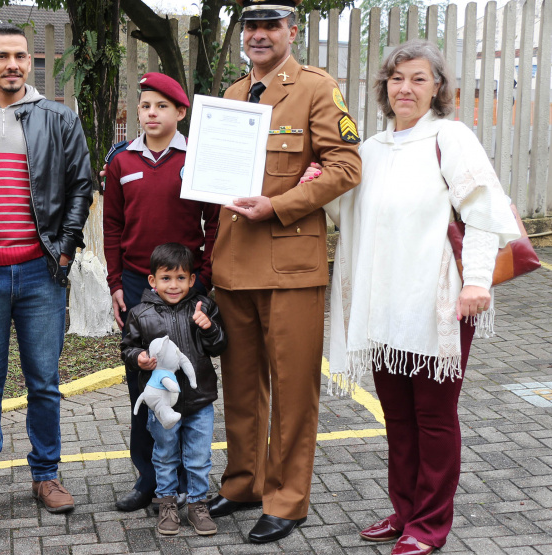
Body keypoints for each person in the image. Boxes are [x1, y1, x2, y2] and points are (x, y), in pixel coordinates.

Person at [326, 40, 521, 555]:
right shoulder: (371, 148)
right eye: (397, 78)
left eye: (418, 78)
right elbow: (350, 214)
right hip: (383, 303)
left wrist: (477, 281)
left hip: (438, 301)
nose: (405, 88)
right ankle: (406, 511)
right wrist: (318, 186)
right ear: (384, 87)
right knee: (398, 418)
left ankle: (430, 525)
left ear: (437, 87)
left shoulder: (450, 137)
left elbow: (483, 210)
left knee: (433, 418)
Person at [207, 0, 362, 543]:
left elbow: (346, 167)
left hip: (290, 266)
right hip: (233, 264)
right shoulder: (231, 96)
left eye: (270, 26)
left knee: (294, 391)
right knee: (240, 389)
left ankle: (287, 499)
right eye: (251, 26)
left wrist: (279, 205)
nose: (259, 34)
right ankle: (244, 483)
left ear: (291, 31)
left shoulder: (316, 88)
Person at [0, 23, 93, 516]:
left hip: (40, 273)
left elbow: (80, 185)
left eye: (21, 56)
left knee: (43, 382)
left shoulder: (58, 117)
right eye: (3, 55)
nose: (13, 64)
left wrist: (65, 249)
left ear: (30, 62)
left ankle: (46, 476)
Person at [103, 72, 220, 512]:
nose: (151, 113)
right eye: (145, 106)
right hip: (139, 284)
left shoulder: (197, 157)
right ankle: (149, 480)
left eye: (162, 106)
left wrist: (203, 280)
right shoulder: (122, 161)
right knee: (145, 383)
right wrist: (117, 284)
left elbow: (215, 222)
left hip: (186, 285)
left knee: (187, 381)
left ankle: (189, 482)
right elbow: (112, 226)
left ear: (181, 112)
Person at [120, 243, 227, 536]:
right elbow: (127, 349)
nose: (174, 285)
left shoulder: (203, 307)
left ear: (192, 279)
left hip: (199, 400)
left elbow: (219, 346)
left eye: (181, 278)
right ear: (152, 280)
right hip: (162, 405)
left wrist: (209, 328)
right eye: (166, 278)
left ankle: (197, 504)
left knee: (199, 457)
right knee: (165, 455)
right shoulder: (140, 313)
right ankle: (166, 502)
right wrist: (139, 358)